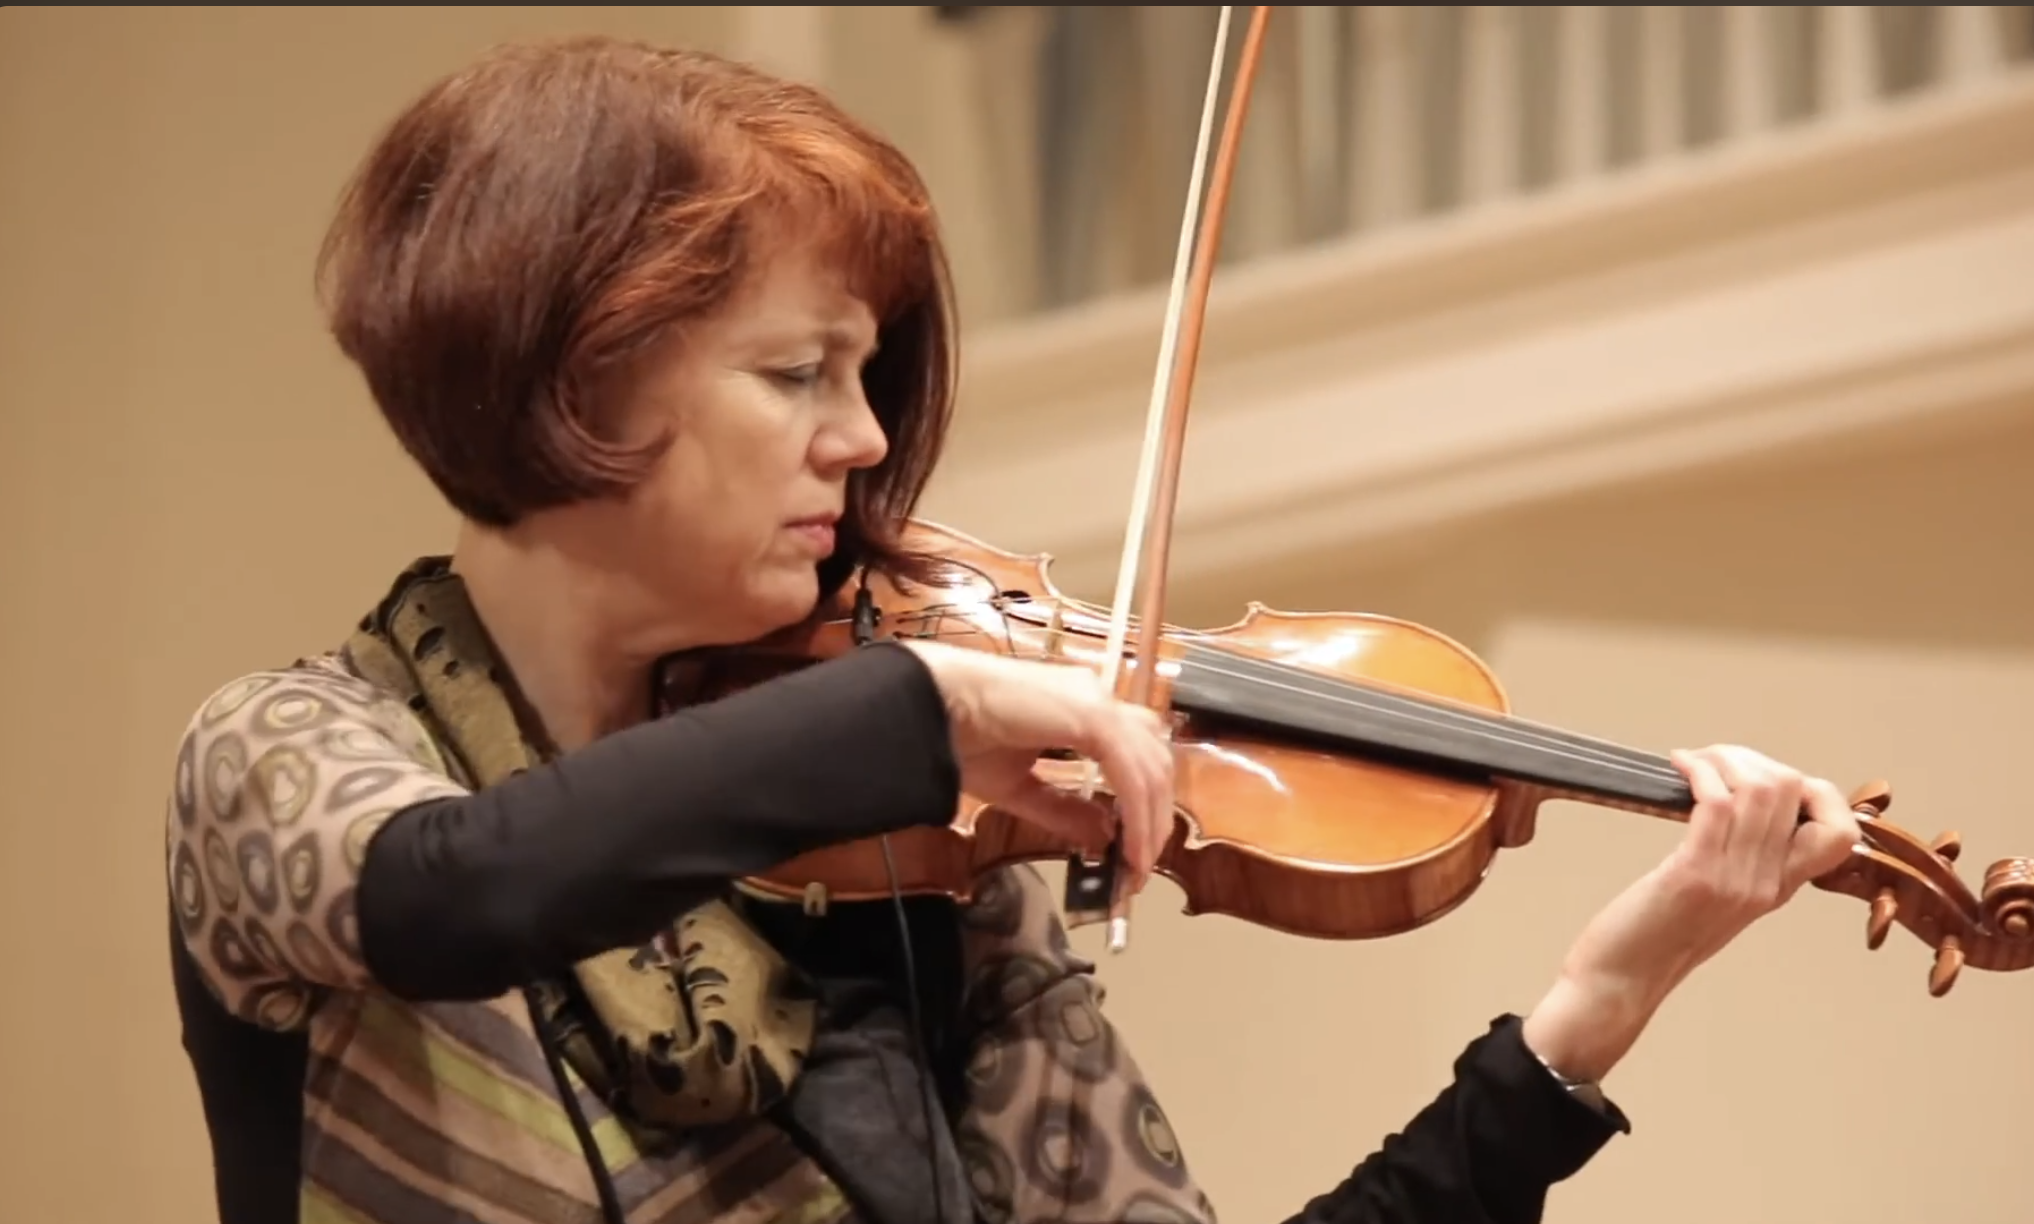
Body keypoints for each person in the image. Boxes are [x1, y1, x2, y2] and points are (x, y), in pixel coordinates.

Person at [161, 34, 1862, 1224]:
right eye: (797, 371)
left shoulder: (922, 880)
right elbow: (465, 892)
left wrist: (1582, 1023)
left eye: (866, 371)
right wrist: (921, 702)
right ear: (573, 367)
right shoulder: (286, 756)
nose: (869, 440)